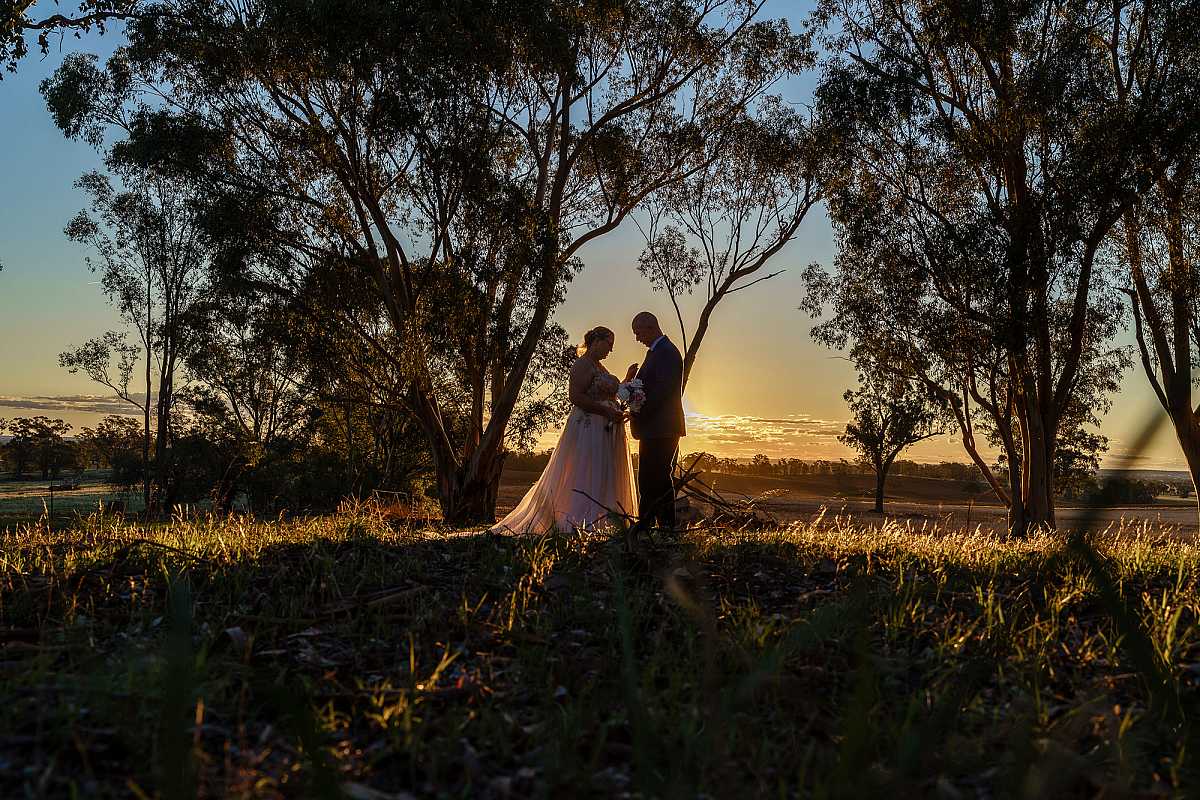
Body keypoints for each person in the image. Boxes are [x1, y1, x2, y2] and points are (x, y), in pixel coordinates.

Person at [490, 326, 638, 533]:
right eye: (609, 344)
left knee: (603, 471)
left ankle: (602, 518)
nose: (611, 350)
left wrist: (627, 380)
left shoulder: (599, 366)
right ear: (596, 341)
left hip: (605, 427)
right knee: (586, 469)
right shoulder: (582, 365)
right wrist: (605, 412)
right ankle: (578, 518)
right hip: (590, 427)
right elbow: (576, 397)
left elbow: (607, 394)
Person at [626, 311, 686, 533]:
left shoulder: (667, 353)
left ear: (650, 327)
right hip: (655, 427)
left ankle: (664, 526)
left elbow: (661, 392)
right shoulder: (656, 352)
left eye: (638, 332)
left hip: (662, 427)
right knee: (649, 477)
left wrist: (637, 411)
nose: (637, 338)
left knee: (658, 477)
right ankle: (649, 524)